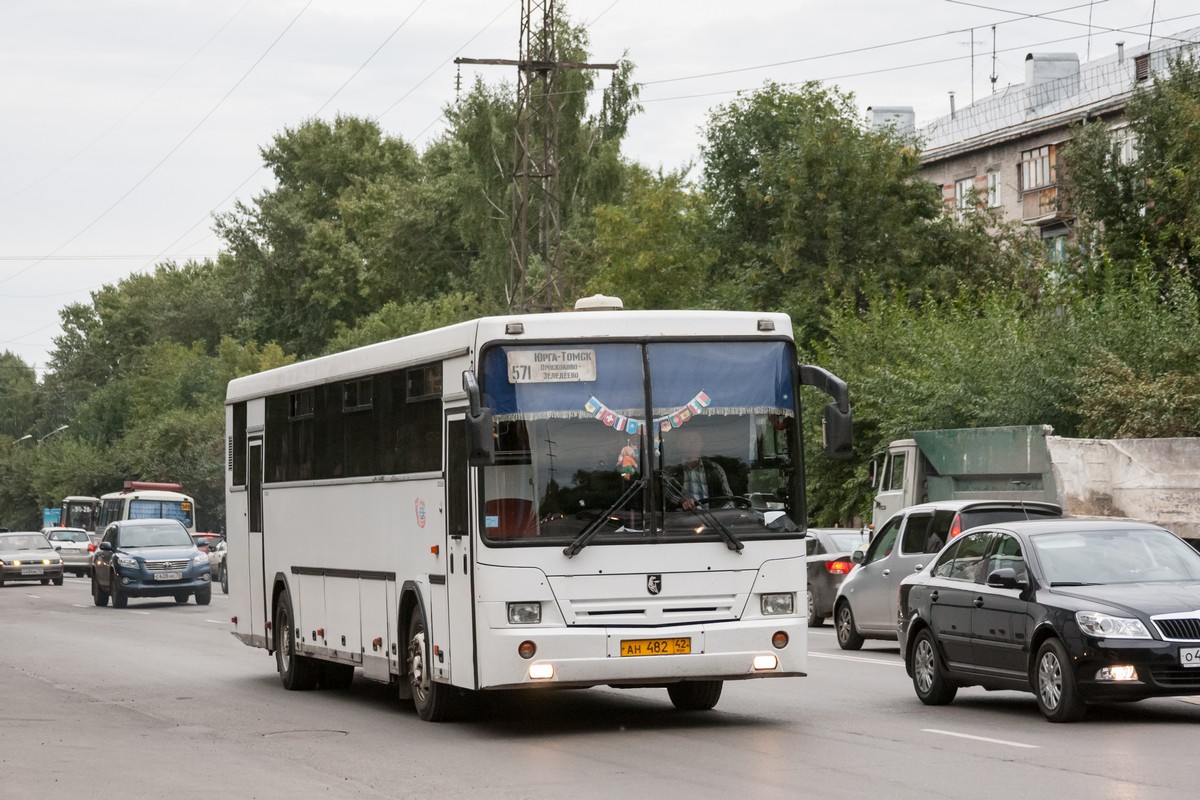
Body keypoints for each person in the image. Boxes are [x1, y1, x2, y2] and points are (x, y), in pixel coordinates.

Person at [667, 427, 734, 510]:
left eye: (694, 441)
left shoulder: (715, 470)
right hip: (681, 521)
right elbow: (665, 493)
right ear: (680, 445)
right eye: (687, 441)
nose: (691, 445)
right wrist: (681, 501)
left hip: (713, 521)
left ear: (701, 444)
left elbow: (729, 501)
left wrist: (719, 515)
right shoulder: (671, 471)